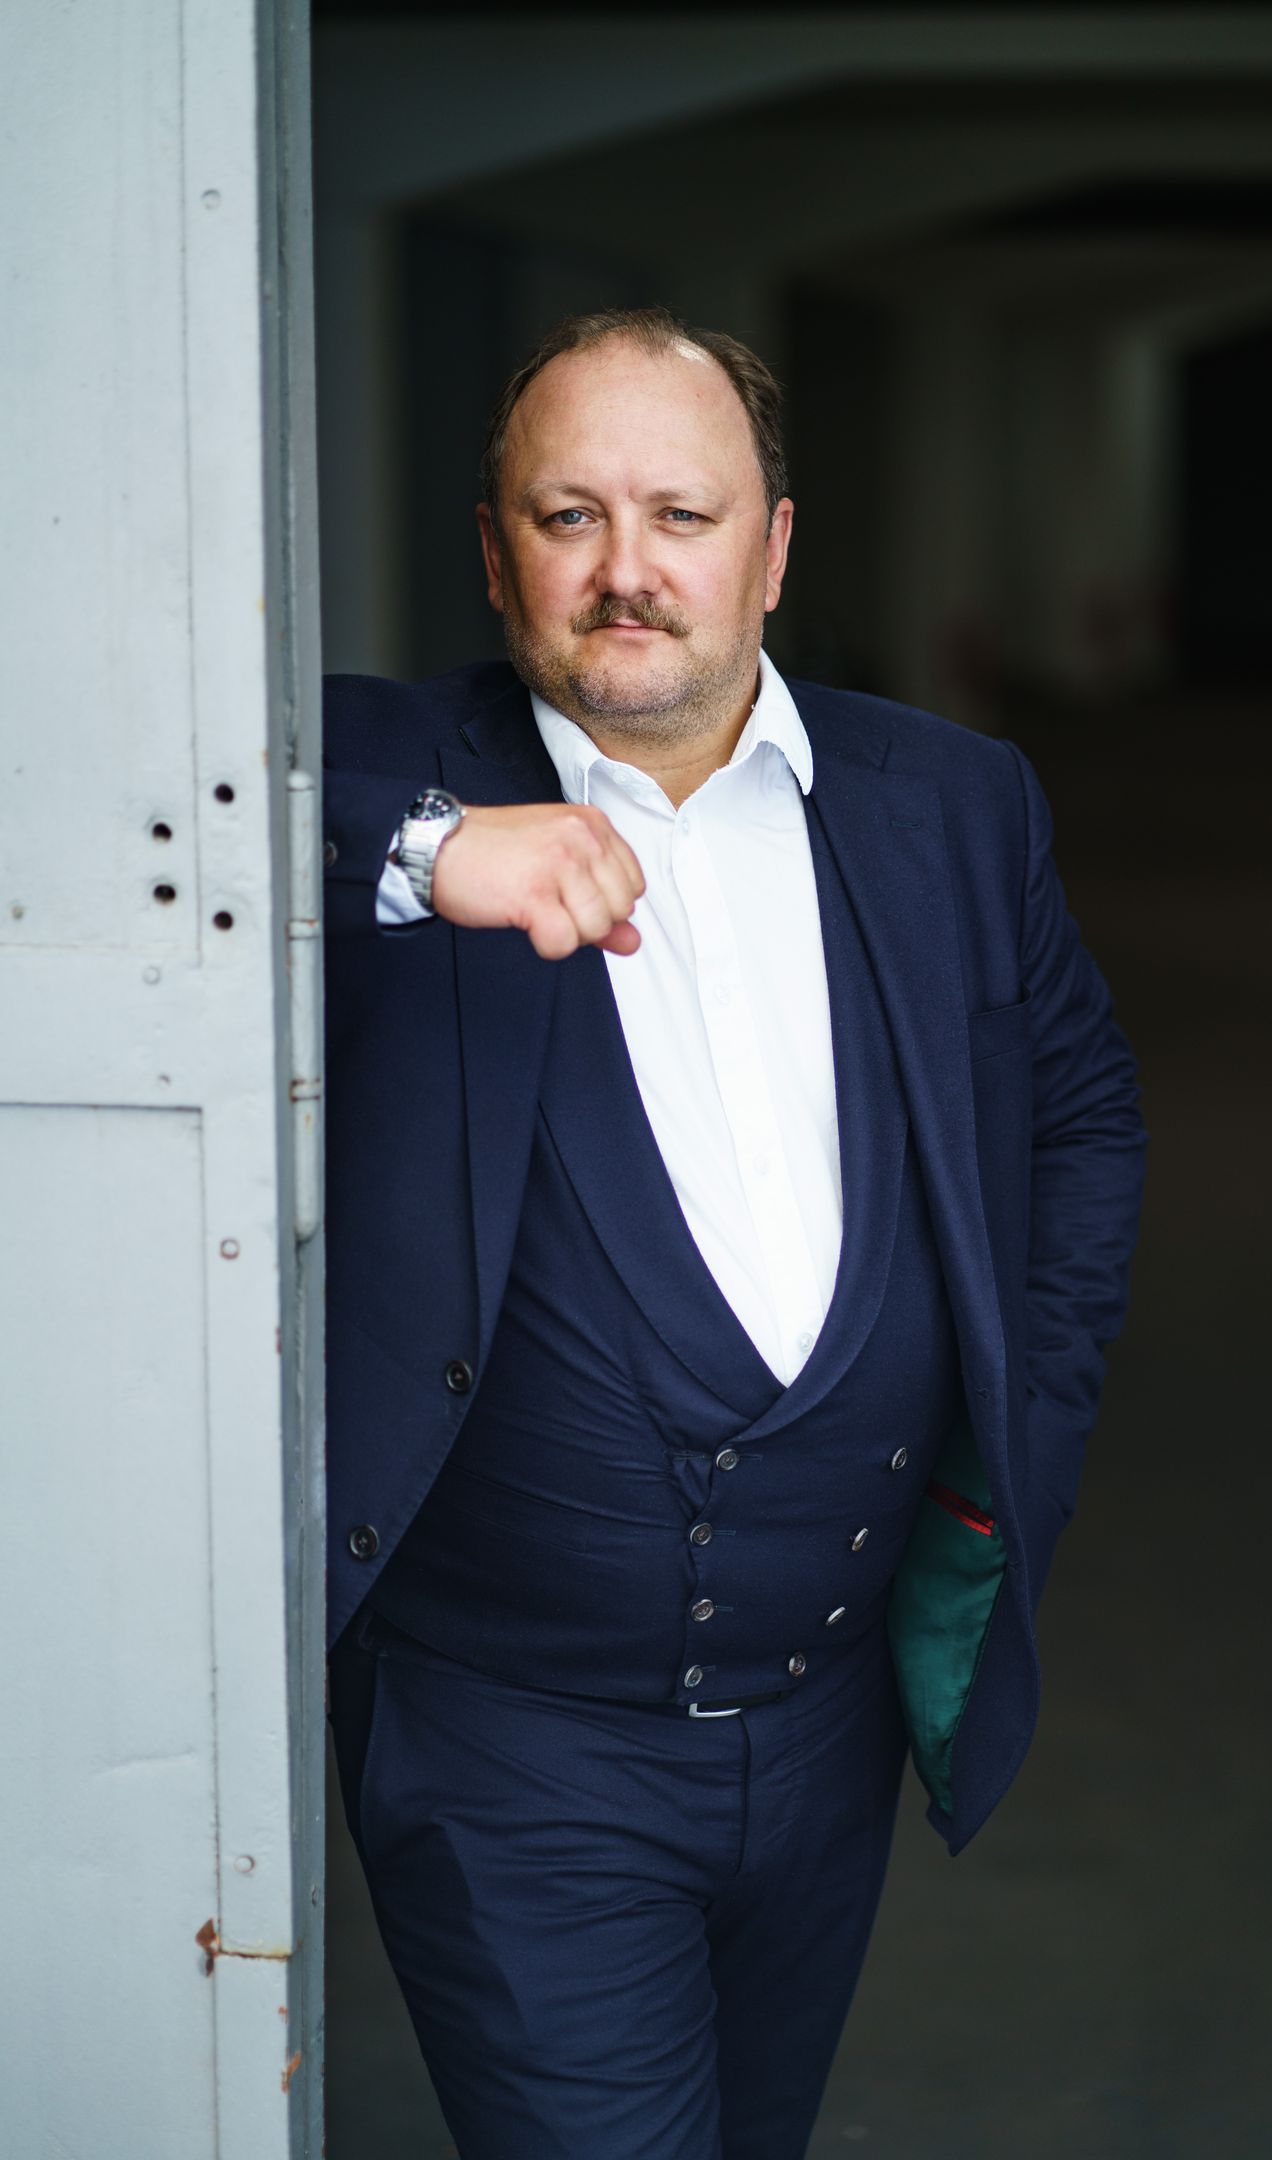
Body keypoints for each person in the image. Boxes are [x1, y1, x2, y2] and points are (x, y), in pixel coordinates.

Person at [322, 305, 1146, 2159]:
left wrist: (1019, 1421)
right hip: (510, 1745)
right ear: (494, 554)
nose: (625, 571)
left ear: (771, 548)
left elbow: (1083, 1118)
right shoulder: (381, 763)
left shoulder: (951, 803)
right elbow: (112, 804)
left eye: (680, 516)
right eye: (568, 516)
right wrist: (429, 852)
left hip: (826, 1719)